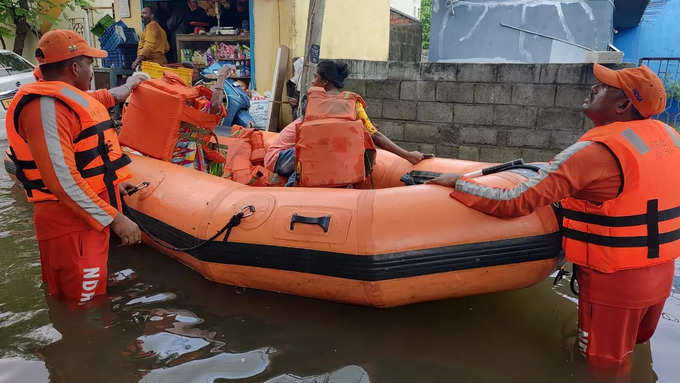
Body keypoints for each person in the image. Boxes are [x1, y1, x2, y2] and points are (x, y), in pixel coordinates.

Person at [427, 64, 678, 375]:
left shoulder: (596, 152)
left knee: (601, 366)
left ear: (624, 105)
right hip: (660, 273)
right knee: (630, 352)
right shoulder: (669, 137)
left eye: (604, 87)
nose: (593, 88)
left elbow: (515, 200)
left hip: (615, 282)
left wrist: (460, 184)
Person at [4, 30, 145, 304]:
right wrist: (116, 219)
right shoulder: (46, 108)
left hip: (86, 218)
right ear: (74, 67)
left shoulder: (67, 99)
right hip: (69, 224)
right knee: (82, 308)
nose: (92, 71)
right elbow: (62, 180)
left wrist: (111, 183)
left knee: (90, 299)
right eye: (90, 64)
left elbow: (81, 159)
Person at [264, 60, 425, 185]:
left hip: (306, 154)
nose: (312, 82)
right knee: (319, 148)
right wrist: (407, 155)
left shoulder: (346, 104)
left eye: (315, 77)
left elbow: (374, 135)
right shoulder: (314, 102)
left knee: (333, 149)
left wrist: (407, 156)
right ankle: (292, 190)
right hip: (279, 158)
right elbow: (374, 135)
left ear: (325, 81)